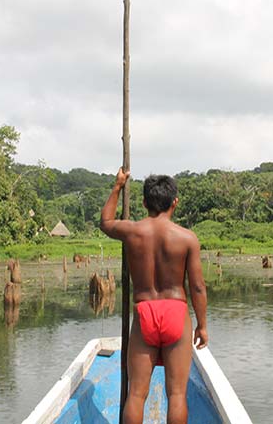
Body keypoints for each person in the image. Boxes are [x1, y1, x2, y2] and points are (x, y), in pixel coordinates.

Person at [100, 168, 208, 424]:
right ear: (175, 203)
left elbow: (105, 223)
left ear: (144, 202)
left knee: (136, 394)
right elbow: (198, 287)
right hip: (176, 311)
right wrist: (202, 325)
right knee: (178, 394)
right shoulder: (187, 238)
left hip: (145, 311)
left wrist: (117, 186)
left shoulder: (132, 231)